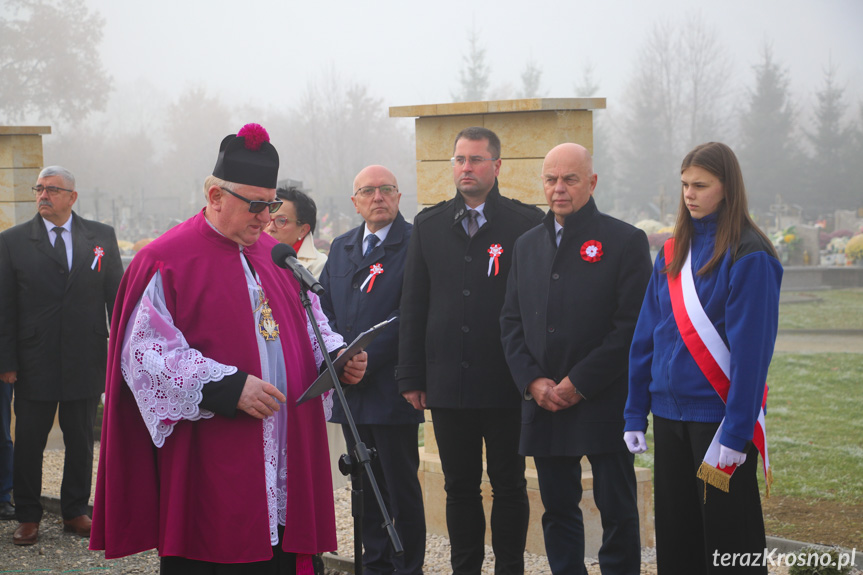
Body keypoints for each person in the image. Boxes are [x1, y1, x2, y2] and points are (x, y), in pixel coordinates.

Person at [89, 123, 368, 574]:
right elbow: (145, 355)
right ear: (215, 196)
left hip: (288, 445)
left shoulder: (277, 257)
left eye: (272, 204)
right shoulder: (167, 259)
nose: (265, 217)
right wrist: (227, 386)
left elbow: (314, 324)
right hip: (214, 449)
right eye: (255, 205)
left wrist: (337, 357)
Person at [624, 142, 782, 574]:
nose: (689, 194)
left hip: (718, 427)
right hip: (671, 419)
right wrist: (636, 411)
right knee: (678, 536)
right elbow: (646, 337)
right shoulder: (674, 251)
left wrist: (735, 434)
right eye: (684, 185)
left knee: (729, 538)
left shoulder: (751, 255)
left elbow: (753, 359)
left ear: (727, 188)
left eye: (700, 185)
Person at [397, 127, 543, 575]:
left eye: (476, 160)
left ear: (497, 167)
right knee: (459, 487)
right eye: (459, 159)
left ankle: (510, 568)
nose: (466, 168)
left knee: (509, 485)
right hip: (448, 384)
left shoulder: (525, 224)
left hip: (505, 381)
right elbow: (414, 302)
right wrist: (411, 375)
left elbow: (535, 306)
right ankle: (466, 568)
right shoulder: (428, 224)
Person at [500, 143, 650, 575]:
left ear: (592, 182)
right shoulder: (526, 245)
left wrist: (579, 381)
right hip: (545, 402)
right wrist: (533, 381)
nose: (558, 189)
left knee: (617, 508)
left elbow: (630, 327)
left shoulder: (624, 241)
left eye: (570, 179)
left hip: (602, 399)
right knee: (558, 509)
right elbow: (510, 320)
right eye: (551, 179)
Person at [0, 166, 123, 545]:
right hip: (33, 359)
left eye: (52, 190)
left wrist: (119, 354)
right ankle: (28, 516)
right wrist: (7, 363)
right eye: (39, 188)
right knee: (31, 440)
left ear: (72, 196)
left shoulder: (100, 237)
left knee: (82, 439)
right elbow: (5, 307)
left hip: (84, 356)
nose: (43, 196)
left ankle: (74, 510)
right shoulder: (13, 241)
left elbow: (115, 300)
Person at [319, 165, 425, 575]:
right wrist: (340, 356)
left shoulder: (416, 243)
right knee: (365, 487)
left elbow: (413, 311)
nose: (377, 197)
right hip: (351, 390)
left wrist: (367, 356)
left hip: (392, 387)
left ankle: (408, 566)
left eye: (386, 190)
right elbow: (323, 310)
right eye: (367, 191)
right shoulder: (342, 247)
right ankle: (376, 564)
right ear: (355, 201)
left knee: (400, 490)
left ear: (399, 197)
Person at [265, 185, 345, 492]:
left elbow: (326, 326)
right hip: (275, 380)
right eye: (269, 215)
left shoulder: (319, 267)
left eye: (282, 220)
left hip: (310, 378)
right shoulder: (256, 260)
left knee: (312, 472)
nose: (271, 224)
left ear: (304, 228)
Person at [265, 186, 328, 278]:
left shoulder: (321, 266)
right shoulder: (250, 255)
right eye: (267, 219)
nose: (270, 227)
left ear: (303, 230)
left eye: (281, 221)